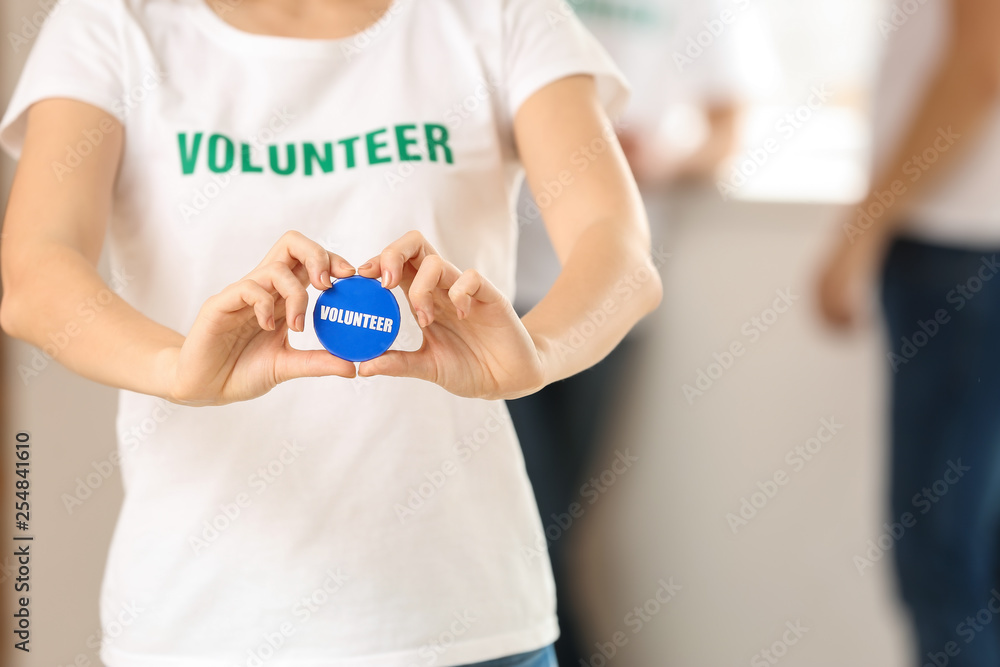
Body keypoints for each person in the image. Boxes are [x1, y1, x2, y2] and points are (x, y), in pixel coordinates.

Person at [0, 1, 663, 666]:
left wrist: (537, 352)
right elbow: (35, 270)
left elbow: (619, 253)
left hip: (466, 619)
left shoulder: (501, 14)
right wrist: (177, 365)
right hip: (200, 623)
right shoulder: (112, 23)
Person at [507, 2, 747, 665]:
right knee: (525, 533)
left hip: (606, 310)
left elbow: (730, 126)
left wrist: (653, 165)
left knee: (551, 530)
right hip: (492, 305)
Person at [818, 0, 1000, 664]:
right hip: (970, 256)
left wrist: (862, 227)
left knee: (942, 559)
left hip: (961, 252)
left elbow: (981, 66)